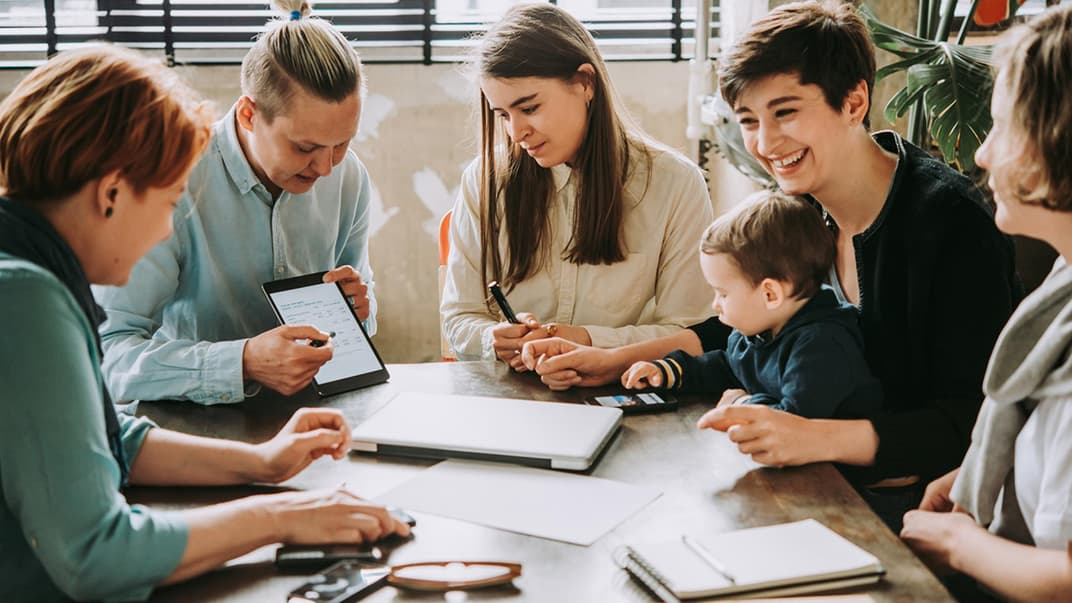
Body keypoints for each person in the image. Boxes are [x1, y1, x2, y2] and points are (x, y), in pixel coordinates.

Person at [522, 0, 1019, 526]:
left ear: (854, 102)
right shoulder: (801, 204)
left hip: (918, 506)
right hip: (812, 484)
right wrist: (611, 359)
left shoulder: (949, 222)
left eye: (785, 113)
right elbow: (737, 328)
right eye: (749, 120)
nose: (764, 143)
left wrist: (807, 435)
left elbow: (970, 419)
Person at [0, 45, 408, 602]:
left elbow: (100, 436)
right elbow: (97, 555)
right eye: (170, 204)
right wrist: (280, 514)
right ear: (112, 194)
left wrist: (260, 463)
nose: (169, 233)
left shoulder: (26, 270)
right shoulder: (25, 299)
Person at [95, 0, 378, 404]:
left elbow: (360, 335)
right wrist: (241, 361)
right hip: (192, 428)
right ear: (248, 114)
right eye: (305, 147)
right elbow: (109, 355)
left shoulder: (349, 176)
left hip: (315, 413)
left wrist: (356, 314)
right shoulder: (172, 180)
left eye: (342, 143)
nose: (326, 168)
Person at [900, 6, 1072, 600]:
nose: (981, 154)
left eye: (1003, 128)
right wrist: (983, 478)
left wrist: (957, 545)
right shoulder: (1063, 281)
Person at [440, 2, 714, 367]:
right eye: (503, 115)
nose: (516, 132)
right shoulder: (484, 180)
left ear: (585, 83)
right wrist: (493, 340)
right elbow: (459, 318)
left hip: (622, 389)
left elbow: (692, 332)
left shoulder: (676, 185)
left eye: (530, 108)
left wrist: (586, 341)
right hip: (510, 399)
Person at [622, 191, 881, 421]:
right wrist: (668, 370)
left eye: (722, 294)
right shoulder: (759, 331)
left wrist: (740, 403)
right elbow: (728, 366)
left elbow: (794, 422)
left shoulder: (821, 347)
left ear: (770, 294)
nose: (716, 304)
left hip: (841, 473)